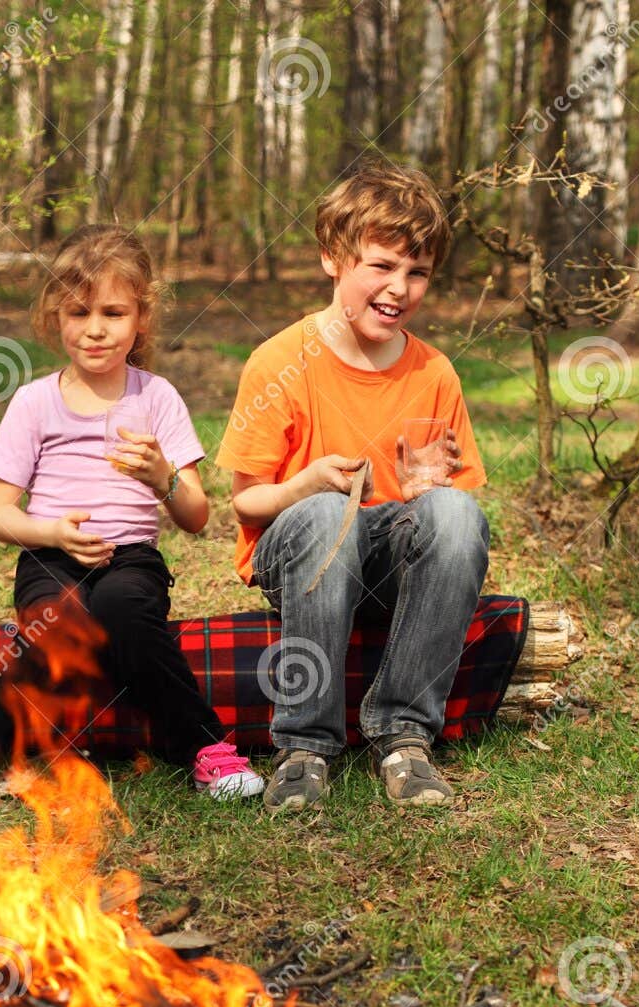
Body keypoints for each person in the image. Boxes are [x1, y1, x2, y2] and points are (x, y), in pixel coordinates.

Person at [0, 224, 263, 803]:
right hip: (50, 555)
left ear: (141, 319)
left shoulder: (156, 398)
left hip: (132, 559)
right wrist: (50, 531)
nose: (95, 328)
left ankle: (206, 747)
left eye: (113, 312)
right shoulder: (35, 401)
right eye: (79, 312)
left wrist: (161, 477)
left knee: (122, 610)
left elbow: (197, 515)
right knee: (58, 622)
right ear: (55, 317)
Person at [215, 161, 489, 813]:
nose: (398, 288)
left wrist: (427, 493)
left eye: (416, 272)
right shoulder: (280, 362)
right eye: (381, 265)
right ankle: (304, 744)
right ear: (333, 258)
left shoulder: (434, 374)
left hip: (387, 564)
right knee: (320, 513)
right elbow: (245, 500)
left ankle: (402, 734)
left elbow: (449, 519)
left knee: (454, 513)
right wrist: (305, 483)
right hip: (303, 553)